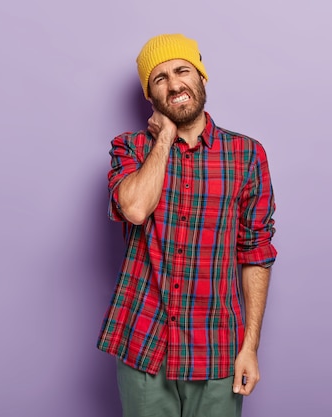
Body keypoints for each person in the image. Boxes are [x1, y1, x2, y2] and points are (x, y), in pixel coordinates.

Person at [97, 34, 277, 417]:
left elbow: (256, 253)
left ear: (201, 76)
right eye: (159, 78)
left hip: (215, 348)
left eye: (182, 70)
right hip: (144, 342)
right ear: (150, 95)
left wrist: (250, 347)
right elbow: (134, 208)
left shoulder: (247, 155)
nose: (174, 83)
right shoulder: (129, 148)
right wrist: (164, 138)